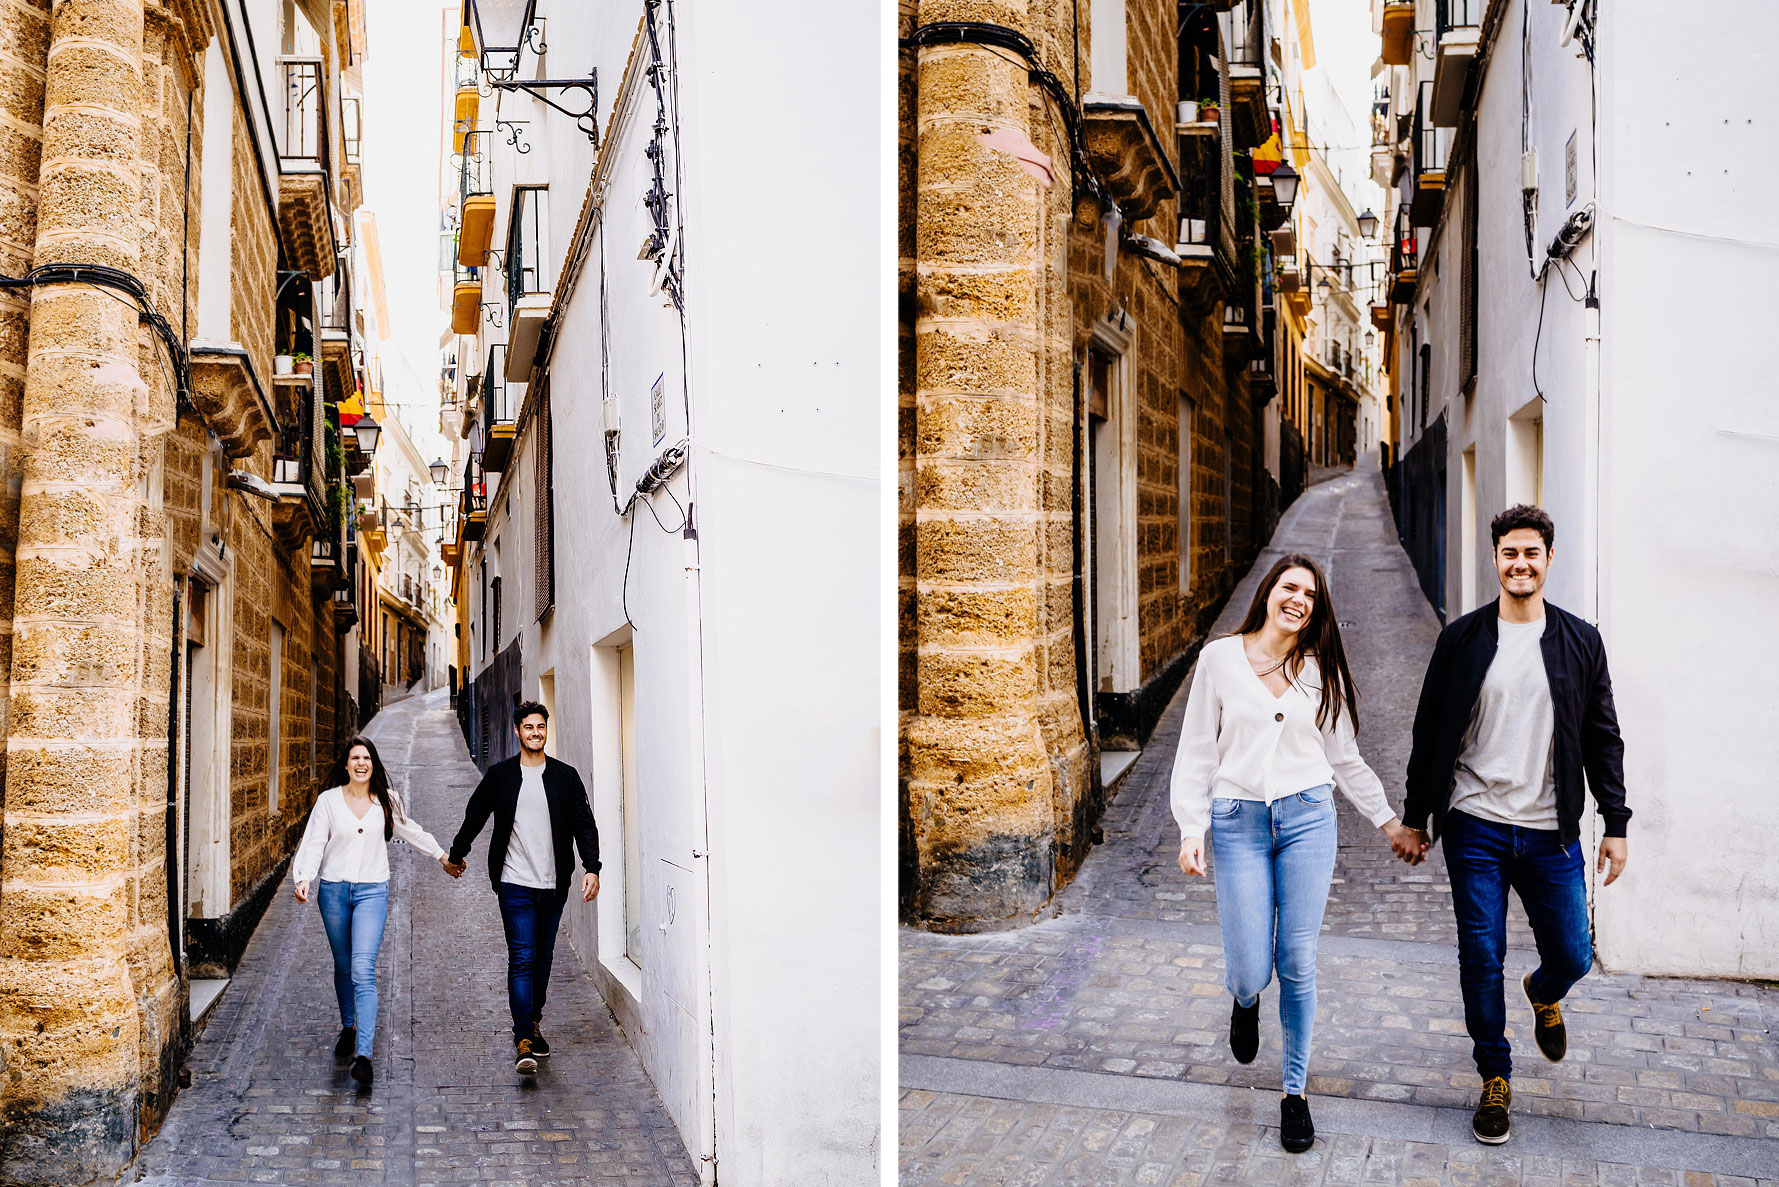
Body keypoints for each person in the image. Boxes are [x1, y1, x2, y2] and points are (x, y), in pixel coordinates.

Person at [1171, 553, 1425, 1153]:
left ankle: (1294, 1093)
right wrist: (1191, 827)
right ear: (1268, 592)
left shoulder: (1320, 669)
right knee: (1250, 965)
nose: (1300, 600)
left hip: (1310, 817)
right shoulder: (1220, 660)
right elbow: (1197, 750)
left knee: (1299, 960)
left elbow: (1345, 760)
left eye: (1311, 595)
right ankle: (1244, 998)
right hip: (1238, 822)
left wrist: (1391, 823)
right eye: (1291, 587)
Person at [1399, 504, 1630, 1145]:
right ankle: (1494, 1080)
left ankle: (1543, 991)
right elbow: (1429, 730)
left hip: (1549, 829)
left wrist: (1616, 820)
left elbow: (1602, 735)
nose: (1520, 564)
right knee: (1481, 954)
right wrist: (1417, 815)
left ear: (1548, 560)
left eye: (1531, 553)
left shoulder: (1581, 641)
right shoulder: (1463, 639)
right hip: (1475, 825)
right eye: (1509, 553)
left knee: (1574, 954)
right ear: (1495, 560)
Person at [445, 700, 600, 1076]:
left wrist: (592, 867)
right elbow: (475, 813)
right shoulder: (501, 776)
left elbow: (584, 823)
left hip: (553, 884)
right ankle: (523, 1039)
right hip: (514, 883)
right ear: (517, 732)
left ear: (546, 730)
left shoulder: (565, 776)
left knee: (543, 958)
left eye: (540, 727)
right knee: (522, 957)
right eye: (528, 727)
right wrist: (456, 853)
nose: (535, 733)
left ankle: (532, 1022)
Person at [292, 736, 455, 1085]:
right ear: (346, 764)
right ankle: (348, 1025)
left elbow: (412, 831)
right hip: (333, 893)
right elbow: (313, 842)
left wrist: (443, 856)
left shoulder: (386, 801)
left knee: (363, 969)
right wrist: (303, 878)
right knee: (343, 965)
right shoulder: (328, 802)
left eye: (367, 757)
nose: (361, 763)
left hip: (372, 893)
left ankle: (364, 1054)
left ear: (374, 764)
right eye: (355, 758)